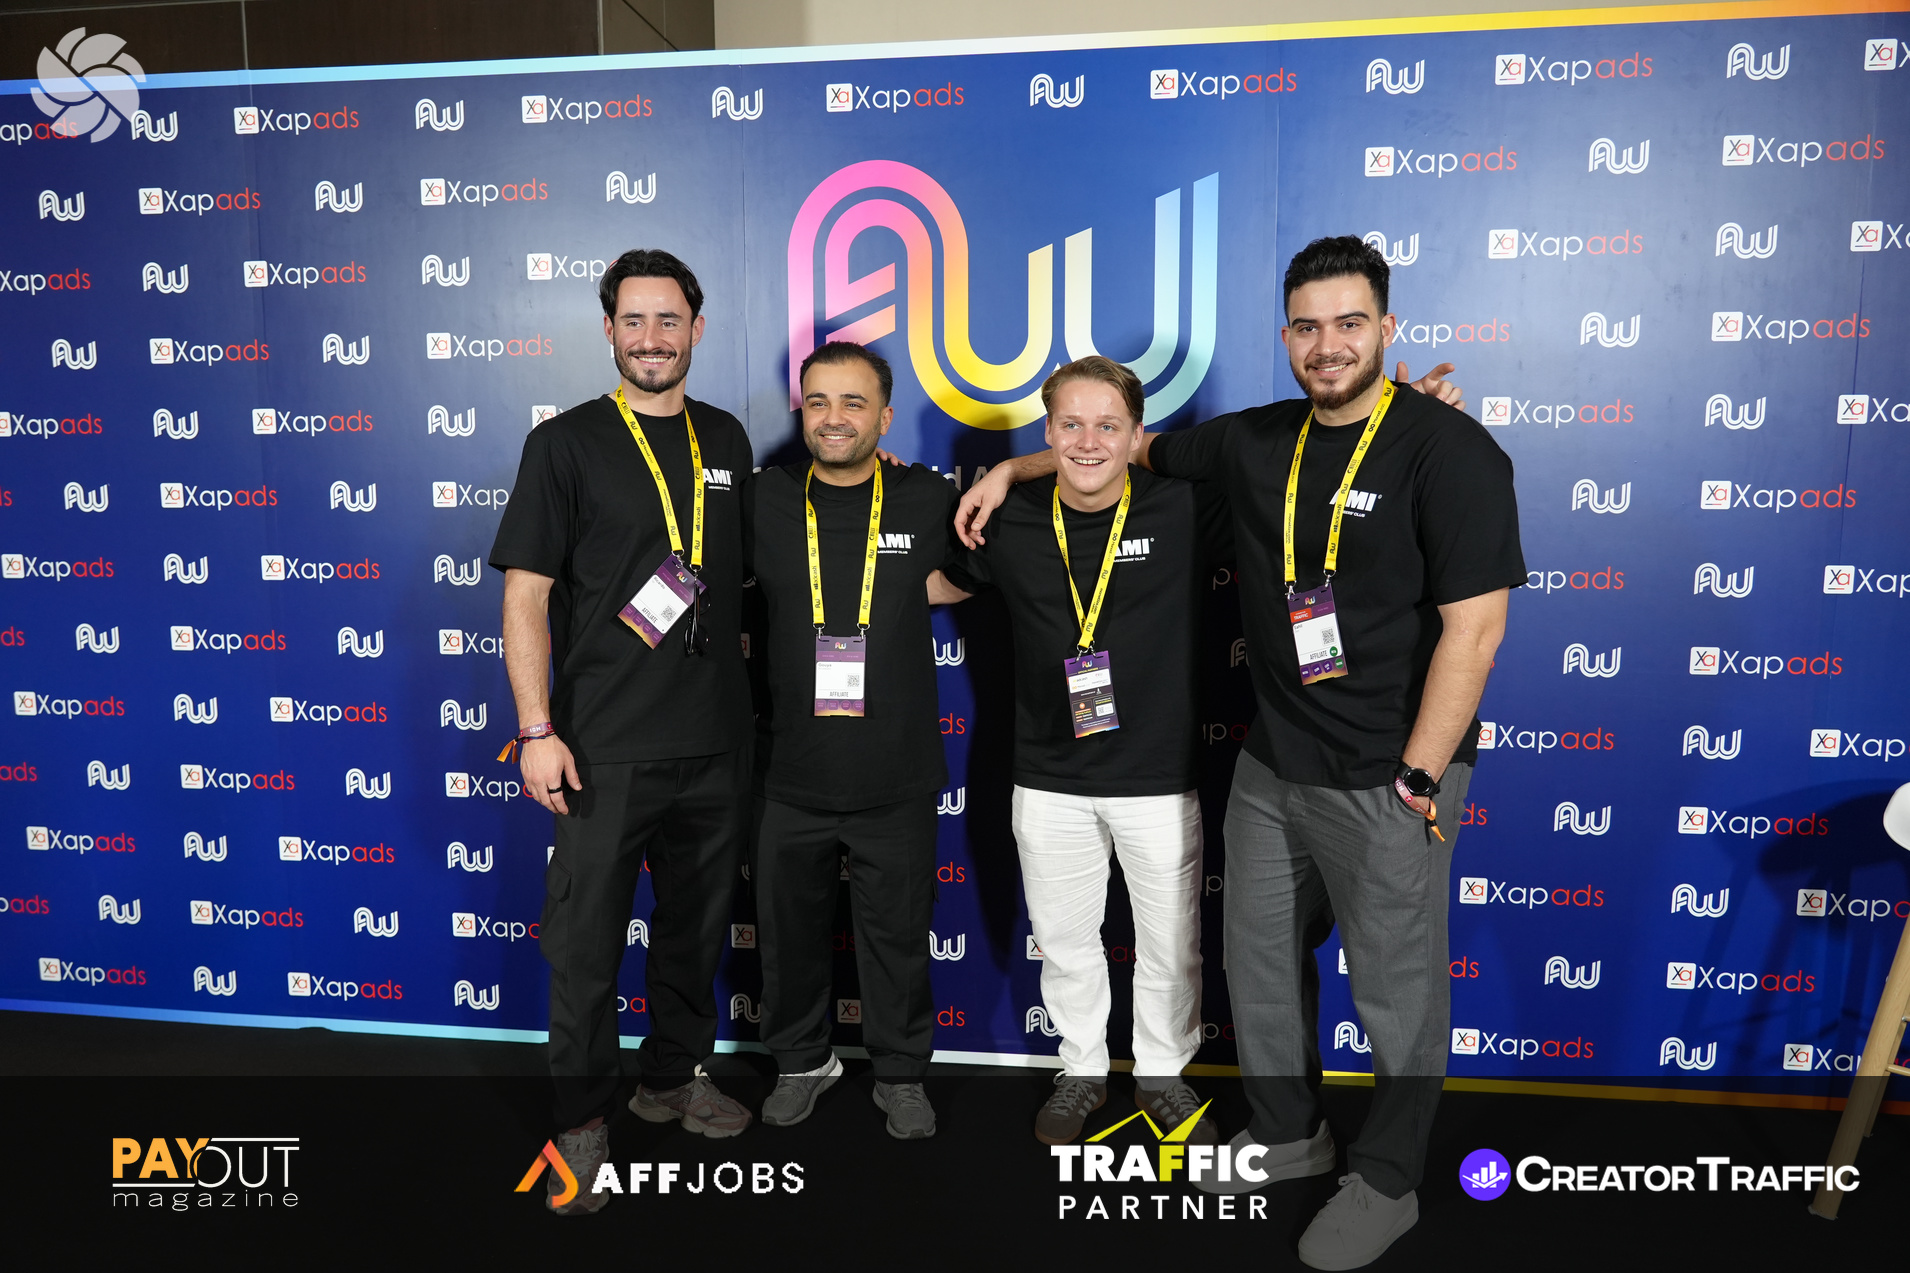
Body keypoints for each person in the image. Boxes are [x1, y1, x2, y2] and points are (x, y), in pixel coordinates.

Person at [957, 236, 1523, 1270]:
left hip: (1390, 772)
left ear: (1386, 329)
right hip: (1271, 765)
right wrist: (1010, 466)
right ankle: (1288, 1133)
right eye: (1306, 326)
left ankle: (1388, 1178)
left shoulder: (1451, 451)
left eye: (1349, 323)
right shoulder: (1257, 438)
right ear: (1286, 335)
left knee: (1396, 990)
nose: (1327, 345)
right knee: (1257, 963)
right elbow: (1112, 449)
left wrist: (1420, 774)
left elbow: (1474, 631)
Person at [490, 248, 756, 1215]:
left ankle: (672, 1076)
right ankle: (582, 1120)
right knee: (586, 947)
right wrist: (536, 729)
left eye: (669, 320)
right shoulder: (564, 444)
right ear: (608, 330)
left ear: (696, 328)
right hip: (603, 747)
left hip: (716, 743)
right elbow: (527, 596)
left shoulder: (726, 438)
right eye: (634, 320)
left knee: (693, 933)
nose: (652, 338)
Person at [930, 356, 1223, 1146]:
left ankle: (1162, 1074)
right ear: (1047, 429)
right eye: (1070, 424)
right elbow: (938, 583)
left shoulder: (1183, 505)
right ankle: (1083, 1068)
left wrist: (1010, 464)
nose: (1088, 441)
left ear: (1136, 434)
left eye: (1107, 425)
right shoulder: (1010, 517)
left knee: (1171, 947)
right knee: (1064, 942)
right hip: (1048, 777)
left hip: (1158, 779)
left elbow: (1294, 476)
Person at [745, 341, 961, 1139]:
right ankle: (802, 1062)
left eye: (854, 402)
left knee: (898, 941)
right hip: (787, 772)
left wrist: (1011, 469)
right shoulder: (762, 497)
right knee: (787, 938)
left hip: (894, 773)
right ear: (801, 410)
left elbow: (979, 571)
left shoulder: (925, 496)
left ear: (886, 417)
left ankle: (900, 1073)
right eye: (819, 401)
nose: (834, 418)